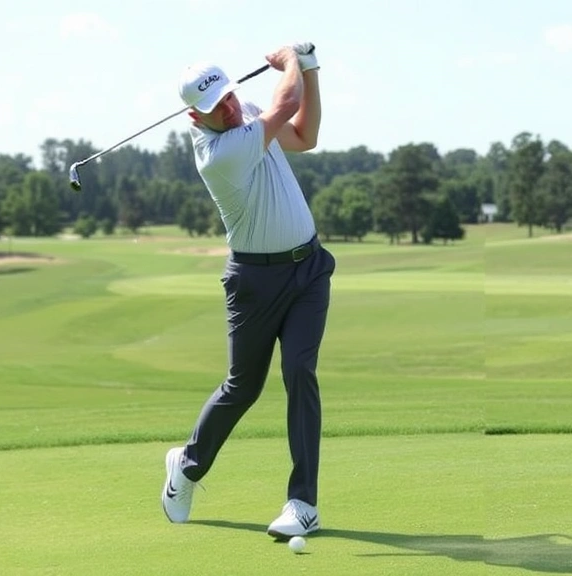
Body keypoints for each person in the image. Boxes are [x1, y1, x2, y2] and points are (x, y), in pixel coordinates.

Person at [161, 42, 335, 540]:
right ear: (196, 117)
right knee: (244, 386)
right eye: (218, 108)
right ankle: (188, 466)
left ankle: (303, 503)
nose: (232, 108)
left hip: (309, 271)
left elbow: (305, 134)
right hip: (254, 282)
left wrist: (311, 72)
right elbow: (284, 107)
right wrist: (289, 65)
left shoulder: (247, 116)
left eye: (231, 97)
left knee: (300, 371)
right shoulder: (220, 155)